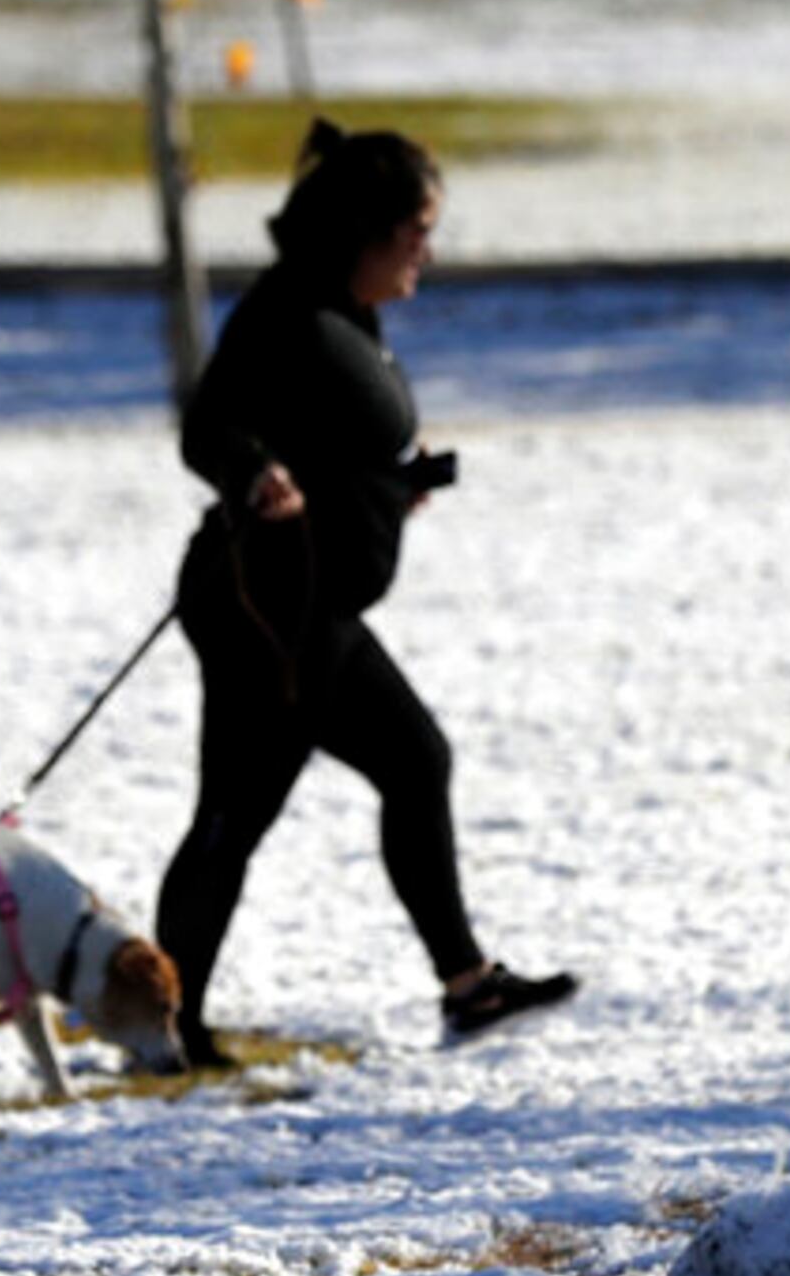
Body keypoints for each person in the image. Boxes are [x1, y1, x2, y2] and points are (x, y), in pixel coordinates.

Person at [157, 121, 577, 1066]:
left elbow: (330, 438)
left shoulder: (344, 312)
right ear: (366, 230)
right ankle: (165, 1022)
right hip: (266, 613)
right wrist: (254, 470)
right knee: (244, 809)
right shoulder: (284, 314)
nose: (429, 248)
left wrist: (389, 489)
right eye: (418, 229)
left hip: (310, 610)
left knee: (392, 766)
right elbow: (210, 428)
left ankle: (465, 985)